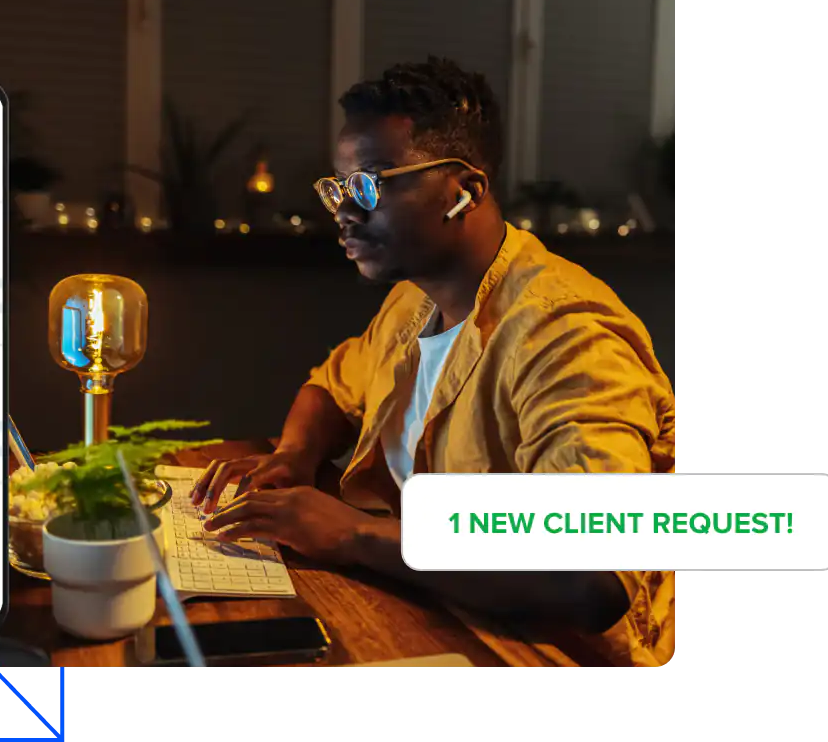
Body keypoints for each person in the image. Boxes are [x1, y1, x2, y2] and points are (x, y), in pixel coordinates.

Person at [190, 57, 677, 667]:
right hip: (434, 617)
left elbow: (586, 577)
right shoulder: (415, 298)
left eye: (368, 183)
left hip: (546, 652)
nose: (344, 210)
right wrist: (292, 457)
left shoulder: (565, 334)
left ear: (464, 191)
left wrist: (353, 533)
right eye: (336, 187)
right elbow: (330, 389)